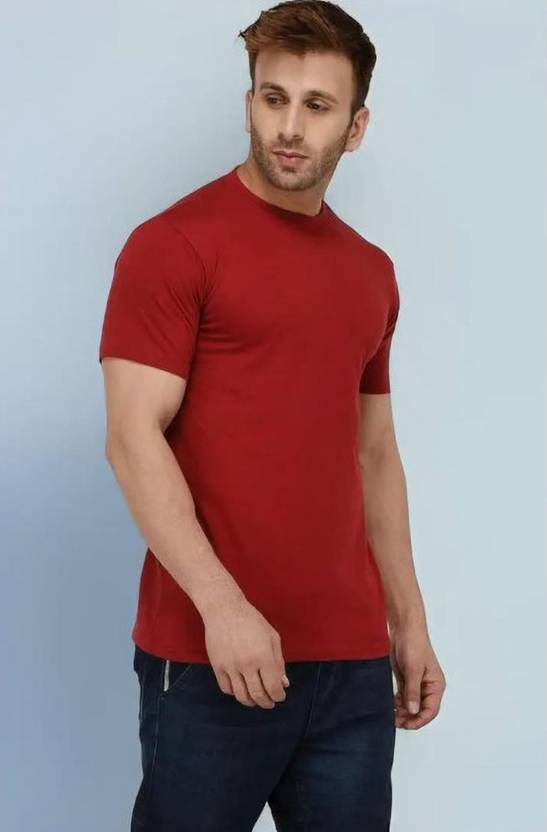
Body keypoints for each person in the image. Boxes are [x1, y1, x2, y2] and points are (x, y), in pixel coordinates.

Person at [98, 1, 446, 829]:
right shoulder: (174, 244)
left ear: (354, 127)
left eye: (316, 106)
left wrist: (408, 621)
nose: (288, 127)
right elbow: (132, 437)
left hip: (350, 664)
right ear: (250, 102)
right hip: (210, 655)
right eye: (272, 98)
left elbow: (373, 452)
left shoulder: (369, 272)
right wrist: (222, 609)